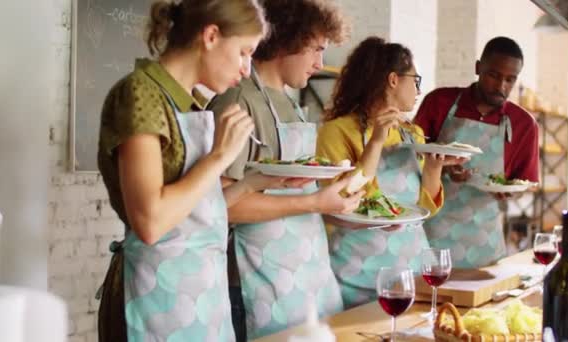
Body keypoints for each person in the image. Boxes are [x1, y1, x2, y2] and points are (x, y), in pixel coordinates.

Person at [95, 1, 289, 341]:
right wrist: (217, 157)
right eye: (244, 52)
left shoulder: (188, 103)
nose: (247, 69)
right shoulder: (139, 93)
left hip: (199, 299)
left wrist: (249, 185)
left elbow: (192, 212)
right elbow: (151, 222)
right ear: (211, 36)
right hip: (152, 299)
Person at [207, 0, 358, 339]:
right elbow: (224, 205)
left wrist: (340, 209)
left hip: (309, 277)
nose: (320, 63)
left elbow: (301, 192)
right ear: (288, 39)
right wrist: (315, 203)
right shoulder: (238, 100)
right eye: (316, 49)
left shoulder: (291, 101)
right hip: (258, 281)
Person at [316, 37, 465, 309]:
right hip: (355, 277)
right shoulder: (337, 131)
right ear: (394, 79)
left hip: (410, 277)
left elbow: (423, 213)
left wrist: (434, 167)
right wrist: (375, 141)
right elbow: (341, 201)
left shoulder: (412, 133)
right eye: (416, 81)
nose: (420, 90)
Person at [414, 36, 540, 268]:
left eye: (510, 80)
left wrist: (510, 192)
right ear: (478, 67)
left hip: (485, 241)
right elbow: (411, 160)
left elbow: (526, 183)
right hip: (433, 232)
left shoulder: (524, 124)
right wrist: (441, 167)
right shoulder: (439, 102)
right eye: (493, 75)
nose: (501, 87)